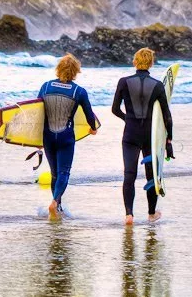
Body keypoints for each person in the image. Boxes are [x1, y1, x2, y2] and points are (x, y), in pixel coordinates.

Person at [111, 48, 173, 225]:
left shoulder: (123, 82)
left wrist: (128, 120)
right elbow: (167, 116)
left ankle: (129, 215)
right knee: (151, 176)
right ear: (151, 63)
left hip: (130, 133)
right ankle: (152, 213)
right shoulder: (157, 85)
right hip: (149, 136)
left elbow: (114, 109)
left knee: (129, 174)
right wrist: (169, 142)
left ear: (134, 62)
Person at [38, 54, 98, 216]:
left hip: (48, 136)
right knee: (64, 172)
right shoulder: (79, 91)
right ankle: (55, 202)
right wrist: (93, 128)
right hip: (66, 136)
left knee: (54, 173)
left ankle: (57, 206)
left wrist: (34, 139)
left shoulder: (45, 86)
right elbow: (89, 115)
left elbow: (37, 113)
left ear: (58, 69)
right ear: (75, 71)